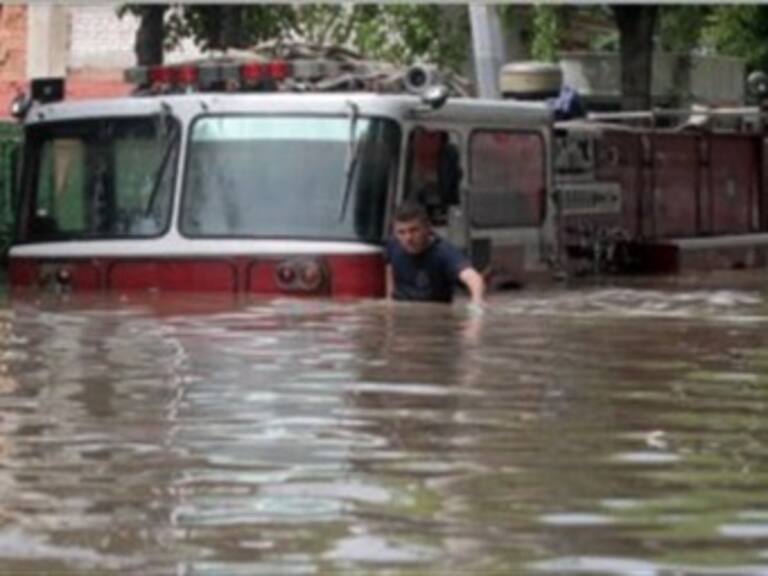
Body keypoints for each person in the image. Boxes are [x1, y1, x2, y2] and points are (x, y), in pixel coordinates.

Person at [384, 201, 485, 308]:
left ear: (427, 228)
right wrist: (389, 299)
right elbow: (389, 266)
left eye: (414, 230)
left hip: (433, 313)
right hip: (401, 310)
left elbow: (473, 277)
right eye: (401, 232)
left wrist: (477, 301)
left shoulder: (443, 252)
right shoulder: (393, 245)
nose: (408, 238)